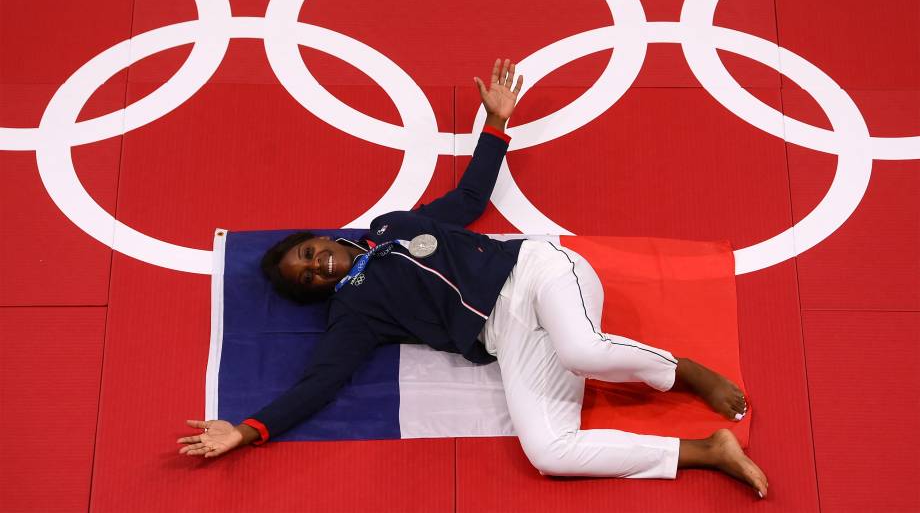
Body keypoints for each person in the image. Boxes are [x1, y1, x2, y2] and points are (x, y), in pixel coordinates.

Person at [178, 59, 769, 498]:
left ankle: (683, 371)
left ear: (324, 237)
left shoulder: (390, 226)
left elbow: (466, 200)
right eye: (306, 276)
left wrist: (495, 125)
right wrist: (249, 430)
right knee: (549, 452)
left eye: (308, 251)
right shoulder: (353, 313)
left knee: (581, 348)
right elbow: (319, 384)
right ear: (316, 291)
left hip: (536, 272)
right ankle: (706, 452)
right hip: (506, 340)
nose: (315, 264)